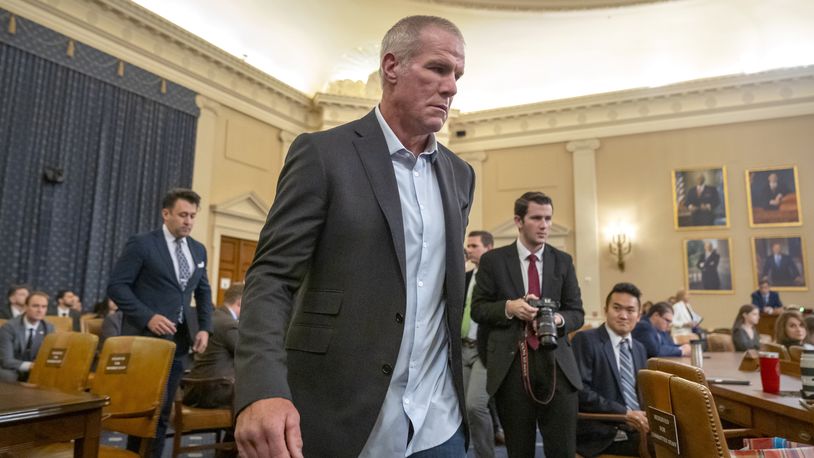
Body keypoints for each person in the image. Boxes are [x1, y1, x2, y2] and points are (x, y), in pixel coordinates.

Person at [233, 16, 473, 458]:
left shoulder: (461, 176)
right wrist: (261, 387)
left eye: (457, 75)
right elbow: (271, 278)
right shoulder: (323, 155)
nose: (452, 87)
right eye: (438, 69)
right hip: (342, 418)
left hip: (439, 425)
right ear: (391, 66)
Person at [471, 191, 584, 458]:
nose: (544, 225)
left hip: (556, 364)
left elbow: (576, 312)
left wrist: (557, 319)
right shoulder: (494, 261)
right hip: (512, 366)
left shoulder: (562, 261)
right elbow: (478, 309)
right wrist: (509, 308)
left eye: (548, 218)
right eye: (536, 218)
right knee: (519, 450)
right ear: (518, 221)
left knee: (562, 451)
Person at [108, 188, 213, 458]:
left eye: (192, 216)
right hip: (145, 339)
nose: (188, 221)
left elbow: (203, 291)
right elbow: (117, 287)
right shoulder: (142, 244)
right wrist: (148, 316)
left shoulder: (198, 249)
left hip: (178, 340)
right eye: (182, 215)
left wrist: (204, 327)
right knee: (143, 408)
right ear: (166, 214)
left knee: (164, 409)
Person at [572, 282, 649, 457]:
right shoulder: (585, 340)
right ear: (606, 309)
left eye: (630, 310)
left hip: (639, 426)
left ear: (638, 316)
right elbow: (580, 391)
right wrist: (624, 413)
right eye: (617, 308)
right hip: (603, 431)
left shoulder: (639, 348)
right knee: (669, 447)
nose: (623, 315)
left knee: (685, 437)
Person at [462, 230, 495, 458]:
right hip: (462, 347)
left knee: (475, 405)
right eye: (469, 246)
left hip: (485, 350)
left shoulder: (497, 279)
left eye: (474, 246)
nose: (469, 249)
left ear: (489, 248)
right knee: (462, 409)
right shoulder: (465, 277)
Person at [183, 282, 242, 409]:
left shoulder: (212, 318)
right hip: (214, 391)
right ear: (240, 302)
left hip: (196, 388)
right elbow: (246, 354)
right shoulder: (228, 324)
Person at [0, 291, 55, 382]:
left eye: (44, 307)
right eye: (35, 306)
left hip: (36, 368)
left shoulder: (49, 328)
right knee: (7, 375)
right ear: (25, 307)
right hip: (11, 368)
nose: (40, 310)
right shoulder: (9, 327)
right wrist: (31, 366)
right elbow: (6, 360)